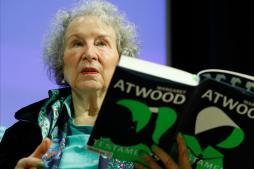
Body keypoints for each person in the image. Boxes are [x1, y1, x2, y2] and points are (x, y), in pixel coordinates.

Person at [0, 0, 191, 169]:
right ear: (62, 63)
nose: (89, 53)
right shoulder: (22, 135)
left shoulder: (156, 137)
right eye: (77, 43)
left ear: (120, 61)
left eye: (101, 43)